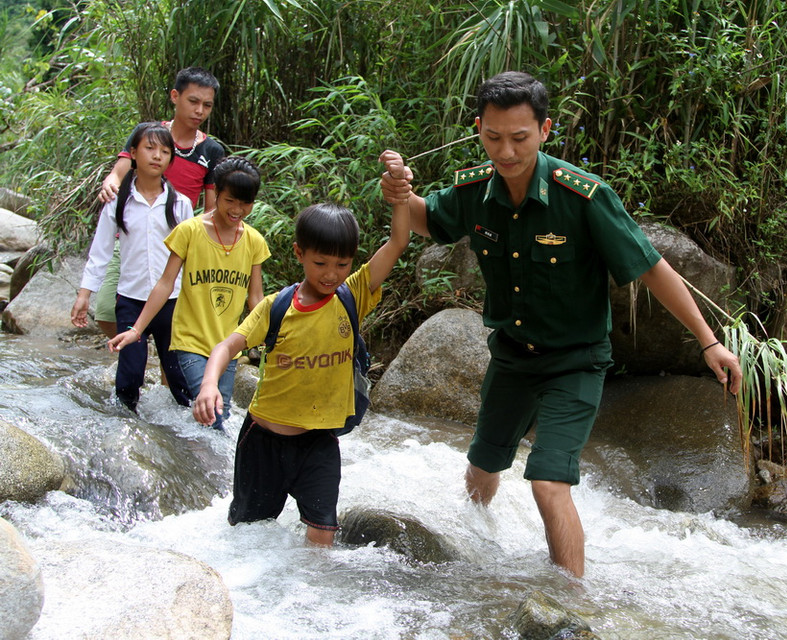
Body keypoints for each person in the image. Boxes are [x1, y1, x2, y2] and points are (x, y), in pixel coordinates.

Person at [379, 71, 743, 578]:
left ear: (545, 130)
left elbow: (654, 270)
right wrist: (399, 192)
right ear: (478, 128)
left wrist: (710, 344)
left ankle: (571, 604)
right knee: (482, 466)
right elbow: (424, 218)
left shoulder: (584, 198)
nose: (505, 151)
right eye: (493, 137)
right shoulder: (475, 190)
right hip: (511, 356)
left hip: (575, 361)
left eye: (520, 138)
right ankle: (473, 561)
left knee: (548, 483)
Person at [192, 152, 410, 545]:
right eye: (320, 263)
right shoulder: (277, 307)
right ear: (299, 254)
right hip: (263, 441)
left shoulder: (354, 295)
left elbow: (398, 241)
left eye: (342, 265)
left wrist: (399, 195)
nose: (331, 275)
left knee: (322, 533)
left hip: (319, 441)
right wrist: (209, 384)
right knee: (245, 537)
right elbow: (227, 345)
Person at [108, 157, 270, 430]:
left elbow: (256, 298)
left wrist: (270, 338)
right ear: (216, 193)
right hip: (189, 343)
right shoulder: (190, 231)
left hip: (228, 346)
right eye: (230, 200)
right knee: (213, 415)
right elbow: (165, 284)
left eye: (246, 203)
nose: (237, 209)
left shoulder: (254, 240)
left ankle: (185, 457)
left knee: (220, 415)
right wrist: (137, 330)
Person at [93, 66, 226, 338]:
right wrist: (110, 183)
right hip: (133, 235)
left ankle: (161, 373)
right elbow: (118, 172)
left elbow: (211, 209)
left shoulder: (211, 151)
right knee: (106, 311)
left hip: (178, 242)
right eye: (193, 101)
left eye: (207, 105)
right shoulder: (148, 134)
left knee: (173, 328)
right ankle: (134, 347)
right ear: (175, 96)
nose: (199, 110)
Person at [71, 122, 193, 412]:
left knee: (179, 377)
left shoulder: (181, 205)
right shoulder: (117, 203)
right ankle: (124, 426)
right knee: (129, 375)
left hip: (172, 302)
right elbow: (100, 253)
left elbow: (191, 257)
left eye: (165, 151)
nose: (157, 156)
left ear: (170, 160)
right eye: (150, 148)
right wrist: (84, 294)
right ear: (133, 153)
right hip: (131, 300)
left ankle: (187, 437)